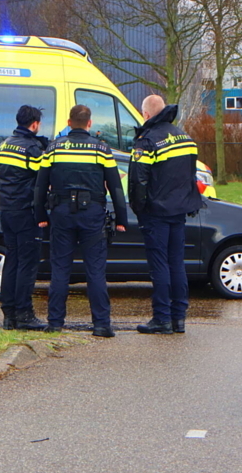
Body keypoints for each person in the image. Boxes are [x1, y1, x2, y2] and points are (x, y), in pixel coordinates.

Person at [34, 105, 128, 337]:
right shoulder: (102, 149)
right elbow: (115, 187)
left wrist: (40, 215)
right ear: (89, 123)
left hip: (61, 213)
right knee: (95, 270)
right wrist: (121, 218)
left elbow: (39, 186)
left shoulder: (53, 149)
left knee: (60, 269)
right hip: (92, 215)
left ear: (69, 121)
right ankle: (101, 325)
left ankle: (55, 323)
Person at [128, 94, 203, 334]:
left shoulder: (146, 141)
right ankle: (178, 318)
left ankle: (161, 318)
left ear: (146, 115)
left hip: (156, 212)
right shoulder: (185, 138)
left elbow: (138, 181)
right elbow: (191, 176)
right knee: (176, 263)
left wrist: (139, 210)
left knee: (159, 264)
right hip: (179, 211)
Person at [0, 105, 49, 331]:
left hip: (6, 211)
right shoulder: (32, 148)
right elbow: (44, 176)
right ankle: (25, 314)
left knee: (12, 261)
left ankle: (9, 315)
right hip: (26, 212)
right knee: (27, 264)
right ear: (34, 124)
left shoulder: (4, 144)